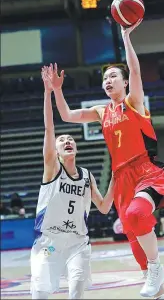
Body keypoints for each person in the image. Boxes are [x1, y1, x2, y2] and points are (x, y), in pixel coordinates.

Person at [44, 19, 164, 299]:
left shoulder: (134, 103)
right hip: (121, 178)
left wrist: (126, 36)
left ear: (125, 82)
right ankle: (156, 283)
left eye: (113, 76)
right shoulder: (102, 112)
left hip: (145, 171)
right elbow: (67, 116)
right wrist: (56, 90)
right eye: (105, 78)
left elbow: (135, 69)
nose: (108, 81)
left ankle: (156, 267)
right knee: (134, 239)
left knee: (138, 214)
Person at [31, 66, 114, 300]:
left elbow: (105, 207)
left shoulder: (87, 176)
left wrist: (118, 174)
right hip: (49, 241)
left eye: (70, 139)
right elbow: (49, 128)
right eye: (62, 140)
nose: (67, 141)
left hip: (78, 242)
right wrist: (49, 92)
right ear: (56, 152)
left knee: (76, 294)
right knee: (40, 294)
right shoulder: (52, 169)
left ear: (75, 148)